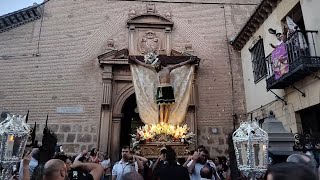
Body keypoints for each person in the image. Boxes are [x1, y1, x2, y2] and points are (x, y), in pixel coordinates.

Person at [130, 54, 196, 123]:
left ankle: (165, 123)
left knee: (167, 107)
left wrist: (189, 61)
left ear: (160, 63)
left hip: (168, 88)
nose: (156, 65)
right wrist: (135, 60)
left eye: (157, 64)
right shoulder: (156, 70)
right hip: (161, 89)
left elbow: (179, 65)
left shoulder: (168, 68)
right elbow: (145, 65)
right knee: (161, 107)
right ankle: (161, 123)